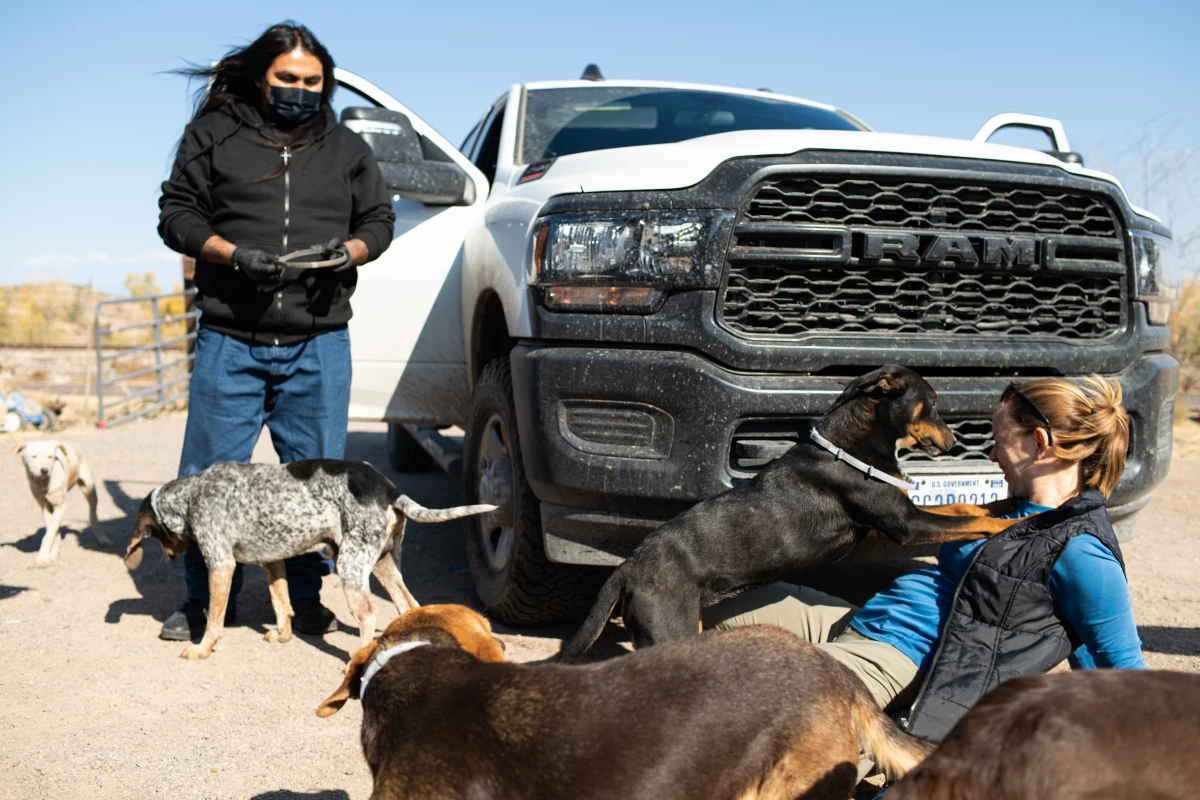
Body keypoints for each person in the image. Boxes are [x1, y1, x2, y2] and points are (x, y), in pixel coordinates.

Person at [705, 376, 1143, 756]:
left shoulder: (1081, 550)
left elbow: (1116, 660)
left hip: (902, 656)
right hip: (867, 622)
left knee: (763, 705)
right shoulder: (1012, 507)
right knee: (708, 603)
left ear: (1040, 445)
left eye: (1000, 441)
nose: (992, 455)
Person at [156, 22, 395, 641]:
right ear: (262, 77)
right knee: (209, 479)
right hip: (229, 342)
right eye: (287, 79)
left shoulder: (346, 148)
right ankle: (201, 602)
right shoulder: (213, 135)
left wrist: (351, 252)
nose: (299, 89)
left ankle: (309, 599)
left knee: (316, 485)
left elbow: (380, 219)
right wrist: (231, 254)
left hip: (318, 345)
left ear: (326, 83)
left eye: (312, 81)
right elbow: (175, 214)